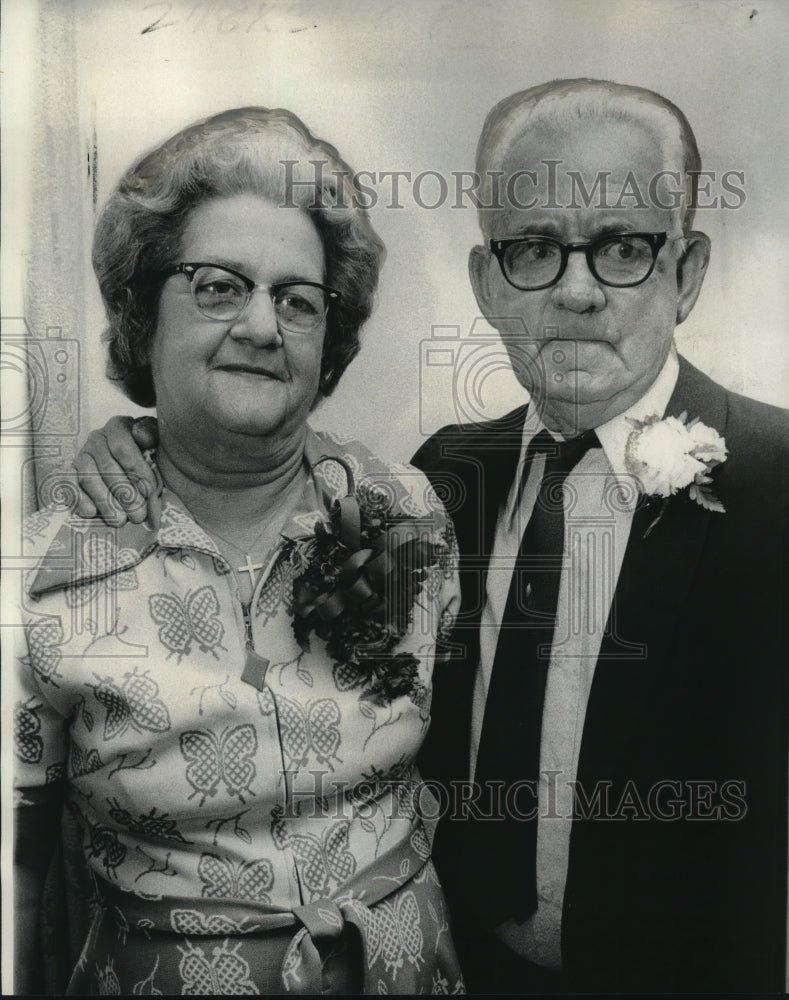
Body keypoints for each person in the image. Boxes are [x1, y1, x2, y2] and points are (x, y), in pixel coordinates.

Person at [71, 79, 789, 994]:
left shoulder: (776, 482)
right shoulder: (441, 483)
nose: (575, 293)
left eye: (621, 248)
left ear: (686, 271)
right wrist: (145, 439)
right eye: (532, 249)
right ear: (487, 285)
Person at [13, 106, 465, 995]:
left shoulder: (410, 513)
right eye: (218, 286)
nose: (263, 326)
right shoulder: (43, 580)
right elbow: (18, 874)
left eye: (298, 300)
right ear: (143, 315)